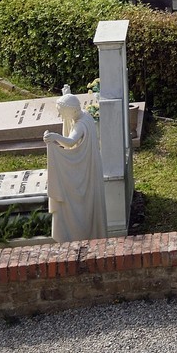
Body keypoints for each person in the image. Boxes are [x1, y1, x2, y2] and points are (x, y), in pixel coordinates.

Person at [44, 85, 108, 241]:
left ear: (70, 111)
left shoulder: (80, 125)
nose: (60, 115)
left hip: (86, 170)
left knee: (84, 205)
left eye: (61, 112)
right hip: (92, 165)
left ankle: (84, 234)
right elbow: (72, 108)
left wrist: (55, 137)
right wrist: (67, 95)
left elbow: (70, 142)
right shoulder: (84, 114)